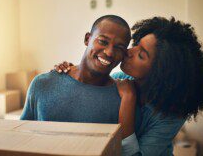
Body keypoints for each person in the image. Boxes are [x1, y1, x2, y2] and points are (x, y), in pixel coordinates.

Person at [55, 17, 203, 155]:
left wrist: (128, 99)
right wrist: (71, 71)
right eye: (136, 44)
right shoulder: (119, 79)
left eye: (141, 55)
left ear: (159, 72)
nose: (128, 51)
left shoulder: (172, 115)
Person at [20, 15, 138, 143]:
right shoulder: (42, 84)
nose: (109, 52)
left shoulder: (123, 102)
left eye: (119, 48)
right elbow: (20, 138)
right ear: (87, 39)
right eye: (103, 41)